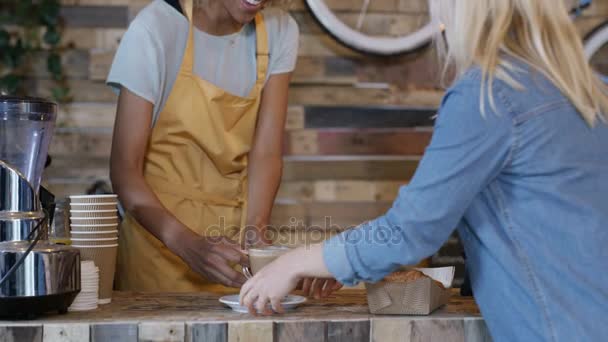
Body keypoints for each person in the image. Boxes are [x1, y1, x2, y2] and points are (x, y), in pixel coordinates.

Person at [239, 0, 608, 340]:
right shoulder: (591, 91)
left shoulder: (490, 96)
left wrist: (293, 262)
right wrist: (333, 265)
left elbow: (409, 232)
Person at [107, 0, 339, 293]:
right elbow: (124, 170)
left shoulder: (279, 30)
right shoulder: (156, 28)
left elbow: (265, 153)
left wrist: (256, 237)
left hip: (232, 254)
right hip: (158, 248)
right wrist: (186, 243)